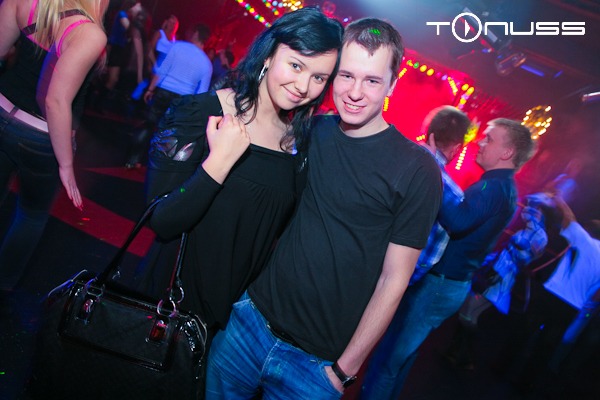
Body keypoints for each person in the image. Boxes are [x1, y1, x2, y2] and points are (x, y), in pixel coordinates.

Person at [205, 17, 442, 399]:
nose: (355, 92)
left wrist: (343, 372)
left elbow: (394, 280)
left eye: (372, 80)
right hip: (250, 324)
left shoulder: (417, 169)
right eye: (346, 76)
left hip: (315, 365)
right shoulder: (313, 130)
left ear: (392, 85)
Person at [134, 5, 343, 393]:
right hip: (172, 309)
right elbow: (162, 220)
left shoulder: (296, 144)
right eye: (296, 65)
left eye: (319, 77)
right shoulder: (201, 114)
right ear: (268, 55)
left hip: (235, 326)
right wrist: (219, 162)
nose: (304, 85)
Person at [361, 118, 536, 399]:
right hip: (448, 284)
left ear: (507, 152)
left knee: (388, 361)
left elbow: (457, 220)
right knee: (401, 358)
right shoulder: (501, 187)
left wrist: (432, 165)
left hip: (440, 285)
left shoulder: (494, 188)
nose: (480, 142)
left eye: (489, 139)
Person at [0, 0, 108, 292]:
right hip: (38, 136)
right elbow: (55, 101)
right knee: (31, 214)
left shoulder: (22, 2)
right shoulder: (88, 33)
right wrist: (66, 165)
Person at [125, 23, 213, 168]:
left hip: (163, 92)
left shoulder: (177, 47)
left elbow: (162, 71)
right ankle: (157, 167)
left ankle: (133, 160)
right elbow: (202, 93)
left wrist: (150, 89)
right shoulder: (206, 63)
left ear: (196, 33)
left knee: (148, 125)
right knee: (170, 134)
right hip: (183, 99)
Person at [409, 105, 472, 284]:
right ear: (457, 148)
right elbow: (428, 257)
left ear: (427, 132)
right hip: (394, 278)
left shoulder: (391, 153)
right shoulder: (452, 193)